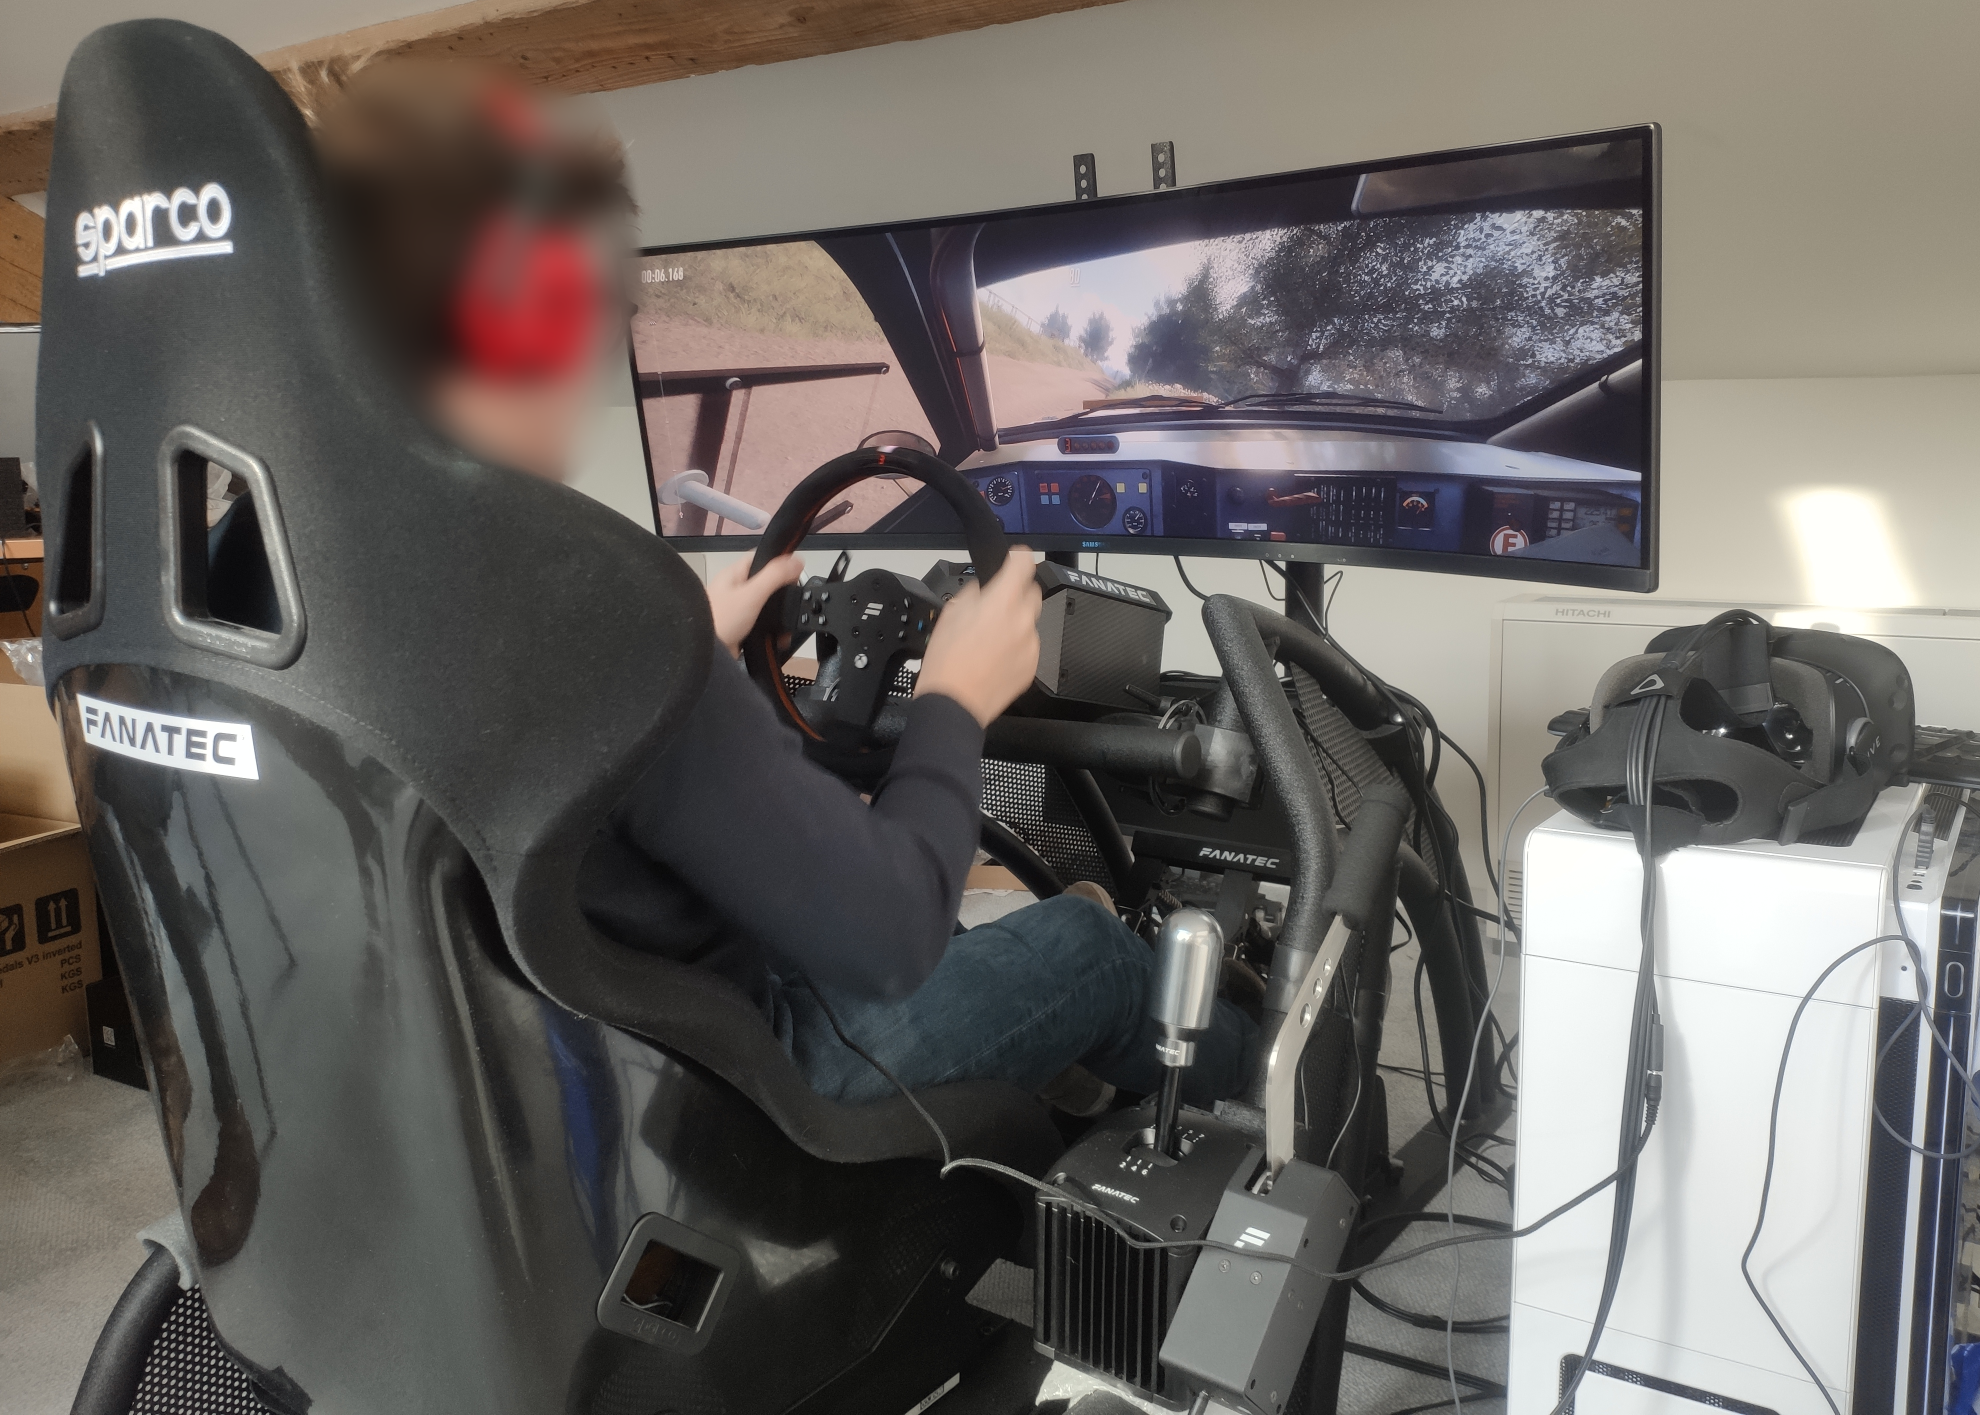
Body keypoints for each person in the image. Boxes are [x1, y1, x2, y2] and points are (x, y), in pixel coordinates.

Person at [302, 62, 1257, 1111]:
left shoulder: (280, 567)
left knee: (983, 903)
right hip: (746, 1086)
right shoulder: (601, 613)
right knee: (1088, 946)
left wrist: (692, 654)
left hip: (523, 1077)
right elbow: (892, 936)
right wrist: (953, 698)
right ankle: (1280, 1100)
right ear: (521, 316)